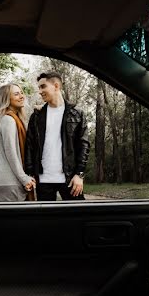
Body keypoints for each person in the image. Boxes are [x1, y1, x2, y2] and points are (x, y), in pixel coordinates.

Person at [25, 71, 89, 201]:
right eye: (39, 88)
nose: (40, 91)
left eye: (43, 86)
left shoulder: (77, 113)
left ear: (56, 86)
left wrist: (79, 174)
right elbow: (29, 146)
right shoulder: (37, 116)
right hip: (43, 180)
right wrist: (30, 173)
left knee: (80, 217)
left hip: (70, 178)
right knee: (47, 221)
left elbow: (84, 145)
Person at [0, 83, 37, 201]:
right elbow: (11, 152)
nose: (21, 96)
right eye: (16, 94)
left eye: (21, 93)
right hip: (8, 183)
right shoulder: (8, 120)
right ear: (6, 99)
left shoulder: (7, 118)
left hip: (4, 182)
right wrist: (24, 178)